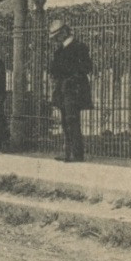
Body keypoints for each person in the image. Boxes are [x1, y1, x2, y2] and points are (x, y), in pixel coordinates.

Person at [48, 19, 93, 162]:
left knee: (72, 120)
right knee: (64, 120)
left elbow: (86, 67)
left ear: (65, 32)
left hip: (74, 89)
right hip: (62, 88)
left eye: (58, 35)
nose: (56, 39)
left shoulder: (80, 47)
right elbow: (54, 69)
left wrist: (70, 75)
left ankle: (76, 153)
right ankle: (68, 152)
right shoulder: (59, 50)